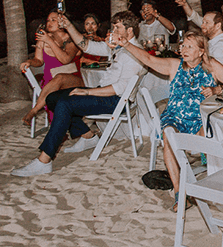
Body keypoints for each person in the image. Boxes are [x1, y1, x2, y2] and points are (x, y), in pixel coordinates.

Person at [10, 11, 144, 176]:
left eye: (117, 27)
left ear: (129, 30)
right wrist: (68, 25)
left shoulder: (134, 53)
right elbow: (86, 45)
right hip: (105, 93)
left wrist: (88, 93)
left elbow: (120, 88)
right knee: (52, 98)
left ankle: (44, 160)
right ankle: (88, 136)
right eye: (113, 26)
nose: (113, 30)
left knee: (66, 104)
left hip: (117, 101)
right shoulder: (118, 46)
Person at [112, 29, 223, 194]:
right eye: (183, 45)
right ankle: (179, 191)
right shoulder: (175, 65)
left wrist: (217, 90)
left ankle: (213, 180)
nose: (183, 50)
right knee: (169, 133)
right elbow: (149, 59)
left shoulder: (212, 66)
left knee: (209, 132)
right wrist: (126, 44)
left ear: (201, 51)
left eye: (189, 47)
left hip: (201, 118)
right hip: (174, 116)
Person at [19, 13, 83, 126]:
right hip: (50, 82)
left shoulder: (72, 39)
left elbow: (65, 59)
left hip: (74, 81)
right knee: (54, 84)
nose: (49, 23)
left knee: (60, 78)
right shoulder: (43, 39)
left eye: (53, 20)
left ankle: (34, 110)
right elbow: (38, 60)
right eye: (48, 20)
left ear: (63, 22)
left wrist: (49, 41)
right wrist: (29, 62)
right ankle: (60, 131)